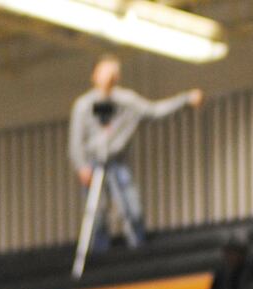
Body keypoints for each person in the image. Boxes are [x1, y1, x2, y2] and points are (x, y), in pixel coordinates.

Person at [68, 55, 203, 251]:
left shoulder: (126, 101)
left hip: (116, 162)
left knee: (132, 207)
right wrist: (81, 166)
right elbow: (75, 140)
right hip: (93, 163)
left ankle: (138, 246)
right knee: (96, 212)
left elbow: (155, 111)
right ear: (95, 75)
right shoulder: (83, 105)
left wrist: (185, 100)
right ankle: (99, 251)